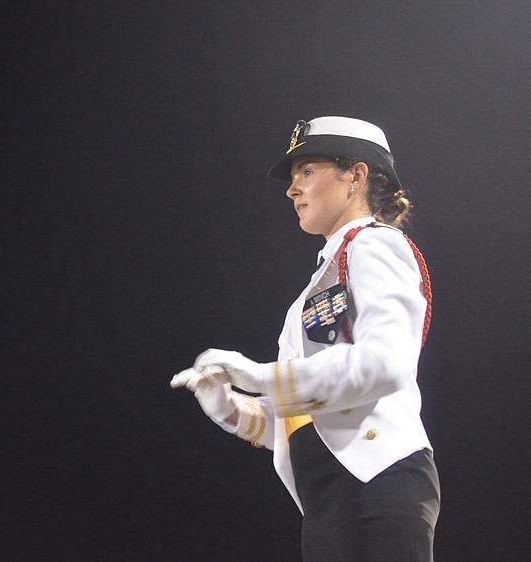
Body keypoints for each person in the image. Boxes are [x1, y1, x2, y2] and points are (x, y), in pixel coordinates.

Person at [171, 116, 440, 561]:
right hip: (327, 499)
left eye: (307, 171)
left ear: (356, 175)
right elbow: (308, 416)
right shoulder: (323, 276)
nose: (292, 190)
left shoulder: (374, 244)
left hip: (376, 481)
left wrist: (260, 376)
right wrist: (232, 409)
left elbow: (387, 363)